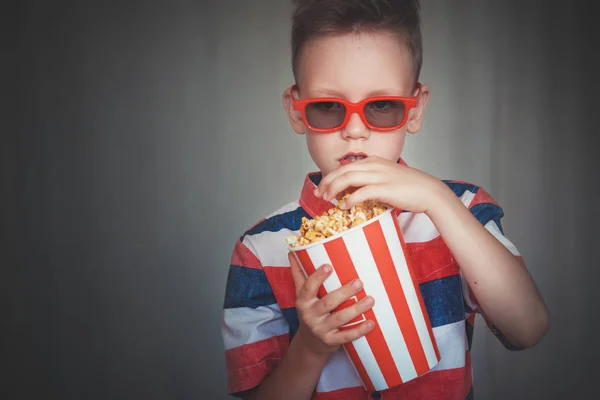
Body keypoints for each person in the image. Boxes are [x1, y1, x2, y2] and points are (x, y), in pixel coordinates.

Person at [221, 1, 549, 399]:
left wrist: (436, 198)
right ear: (296, 110)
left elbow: (528, 328)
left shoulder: (458, 209)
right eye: (328, 107)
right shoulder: (261, 250)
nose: (355, 130)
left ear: (416, 108)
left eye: (381, 106)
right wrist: (310, 348)